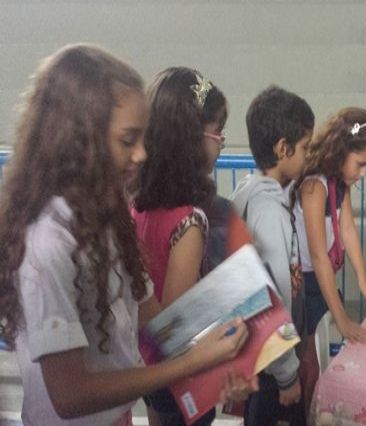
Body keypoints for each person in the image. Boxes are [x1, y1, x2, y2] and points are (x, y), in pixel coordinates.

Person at [0, 44, 248, 426]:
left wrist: (224, 363)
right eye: (127, 140)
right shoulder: (49, 243)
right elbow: (70, 395)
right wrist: (194, 361)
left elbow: (159, 325)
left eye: (143, 139)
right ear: (78, 140)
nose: (142, 154)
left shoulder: (109, 217)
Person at [131, 67, 257, 425]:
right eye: (217, 131)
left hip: (143, 367)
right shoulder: (189, 222)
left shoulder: (137, 205)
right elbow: (172, 334)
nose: (221, 141)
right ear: (191, 140)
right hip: (179, 378)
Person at [229, 85, 314, 425]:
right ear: (283, 148)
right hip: (272, 365)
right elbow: (269, 298)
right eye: (305, 147)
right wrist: (288, 374)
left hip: (264, 358)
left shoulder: (250, 192)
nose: (309, 155)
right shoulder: (268, 210)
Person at [291, 107, 366, 408]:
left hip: (318, 280)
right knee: (303, 361)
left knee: (312, 361)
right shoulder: (314, 185)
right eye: (360, 164)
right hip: (301, 282)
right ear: (341, 150)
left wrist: (364, 281)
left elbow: (347, 229)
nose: (363, 173)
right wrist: (343, 321)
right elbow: (318, 257)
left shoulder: (339, 182)